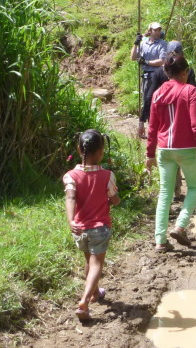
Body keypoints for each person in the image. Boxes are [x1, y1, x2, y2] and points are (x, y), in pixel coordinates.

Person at [146, 54, 196, 252]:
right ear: (185, 72)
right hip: (187, 148)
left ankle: (160, 240)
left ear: (166, 72)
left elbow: (152, 127)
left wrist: (149, 154)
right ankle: (181, 225)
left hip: (164, 149)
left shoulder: (157, 94)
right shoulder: (189, 90)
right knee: (194, 187)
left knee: (165, 193)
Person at [63, 129, 121, 320]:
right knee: (97, 264)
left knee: (89, 260)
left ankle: (95, 293)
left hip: (79, 229)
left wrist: (71, 220)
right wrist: (116, 199)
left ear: (79, 149)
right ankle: (84, 301)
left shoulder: (71, 176)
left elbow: (70, 197)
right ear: (102, 151)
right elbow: (115, 200)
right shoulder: (107, 175)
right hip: (100, 227)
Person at [131, 22, 167, 139]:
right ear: (150, 31)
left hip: (157, 75)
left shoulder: (162, 44)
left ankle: (154, 127)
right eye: (155, 30)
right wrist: (136, 44)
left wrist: (146, 62)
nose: (157, 32)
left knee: (153, 101)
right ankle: (148, 126)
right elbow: (133, 57)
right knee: (146, 100)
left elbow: (162, 61)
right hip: (146, 75)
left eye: (159, 30)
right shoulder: (143, 43)